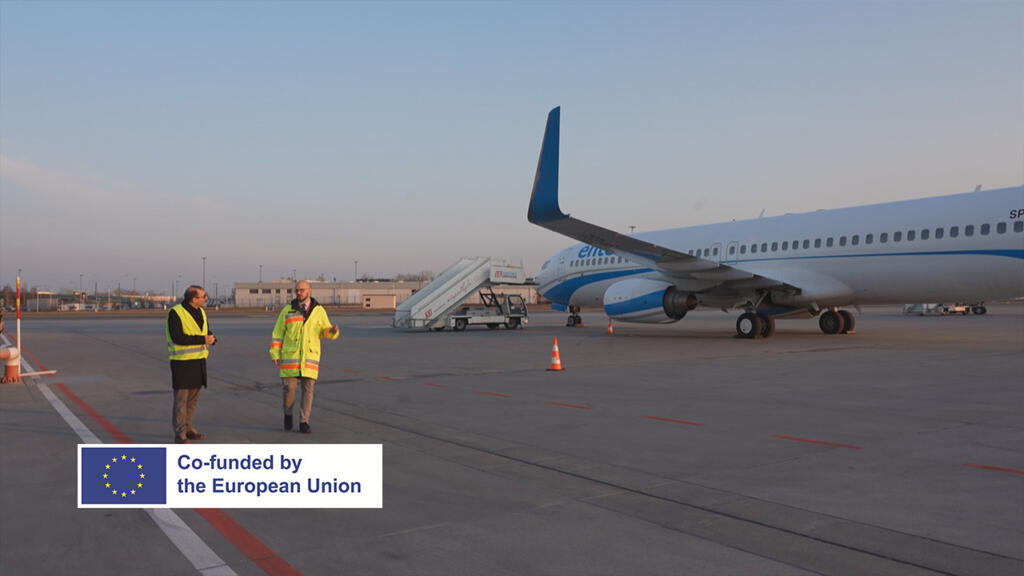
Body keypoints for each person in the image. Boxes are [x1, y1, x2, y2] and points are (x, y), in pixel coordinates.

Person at [269, 280, 339, 434]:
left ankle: (304, 421)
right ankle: (288, 415)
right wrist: (275, 353)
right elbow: (278, 333)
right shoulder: (287, 310)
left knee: (308, 391)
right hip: (291, 359)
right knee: (289, 389)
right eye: (297, 290)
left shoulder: (319, 311)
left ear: (309, 290)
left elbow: (324, 331)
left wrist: (333, 331)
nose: (298, 293)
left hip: (309, 358)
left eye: (301, 290)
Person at [166, 285, 216, 444]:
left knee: (192, 401)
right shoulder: (176, 313)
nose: (205, 299)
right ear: (194, 299)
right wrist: (203, 339)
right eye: (203, 296)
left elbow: (205, 331)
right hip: (182, 364)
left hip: (198, 362)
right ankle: (180, 434)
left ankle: (188, 428)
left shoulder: (201, 312)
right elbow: (178, 337)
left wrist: (212, 339)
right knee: (181, 401)